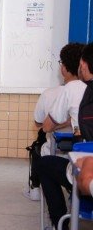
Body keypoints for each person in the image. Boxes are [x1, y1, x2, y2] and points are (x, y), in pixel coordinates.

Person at [39, 43, 88, 230]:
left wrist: (67, 122)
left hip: (84, 168)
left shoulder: (73, 88)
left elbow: (46, 126)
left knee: (44, 164)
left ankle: (62, 224)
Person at [23, 44, 79, 201]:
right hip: (84, 155)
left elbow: (40, 124)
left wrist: (63, 122)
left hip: (61, 155)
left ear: (63, 68)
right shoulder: (86, 92)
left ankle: (36, 188)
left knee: (40, 149)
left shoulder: (51, 94)